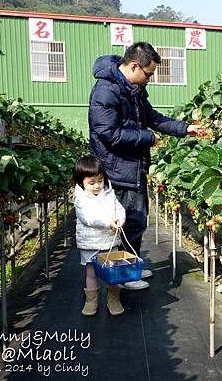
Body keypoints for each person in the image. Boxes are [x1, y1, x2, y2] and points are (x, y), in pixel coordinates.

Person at [88, 42, 201, 290]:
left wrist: (184, 128)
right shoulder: (106, 90)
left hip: (133, 167)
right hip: (116, 170)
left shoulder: (134, 90)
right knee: (123, 226)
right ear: (134, 66)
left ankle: (131, 268)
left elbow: (153, 118)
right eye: (148, 73)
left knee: (136, 222)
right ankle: (123, 277)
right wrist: (148, 138)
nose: (149, 79)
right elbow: (109, 134)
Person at [73, 156, 127, 316]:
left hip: (110, 241)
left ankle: (114, 299)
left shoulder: (109, 193)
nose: (97, 186)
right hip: (90, 243)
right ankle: (91, 301)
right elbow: (88, 218)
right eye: (91, 183)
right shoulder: (80, 199)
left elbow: (119, 208)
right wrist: (108, 223)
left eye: (100, 181)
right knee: (91, 272)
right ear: (81, 182)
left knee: (113, 272)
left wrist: (120, 219)